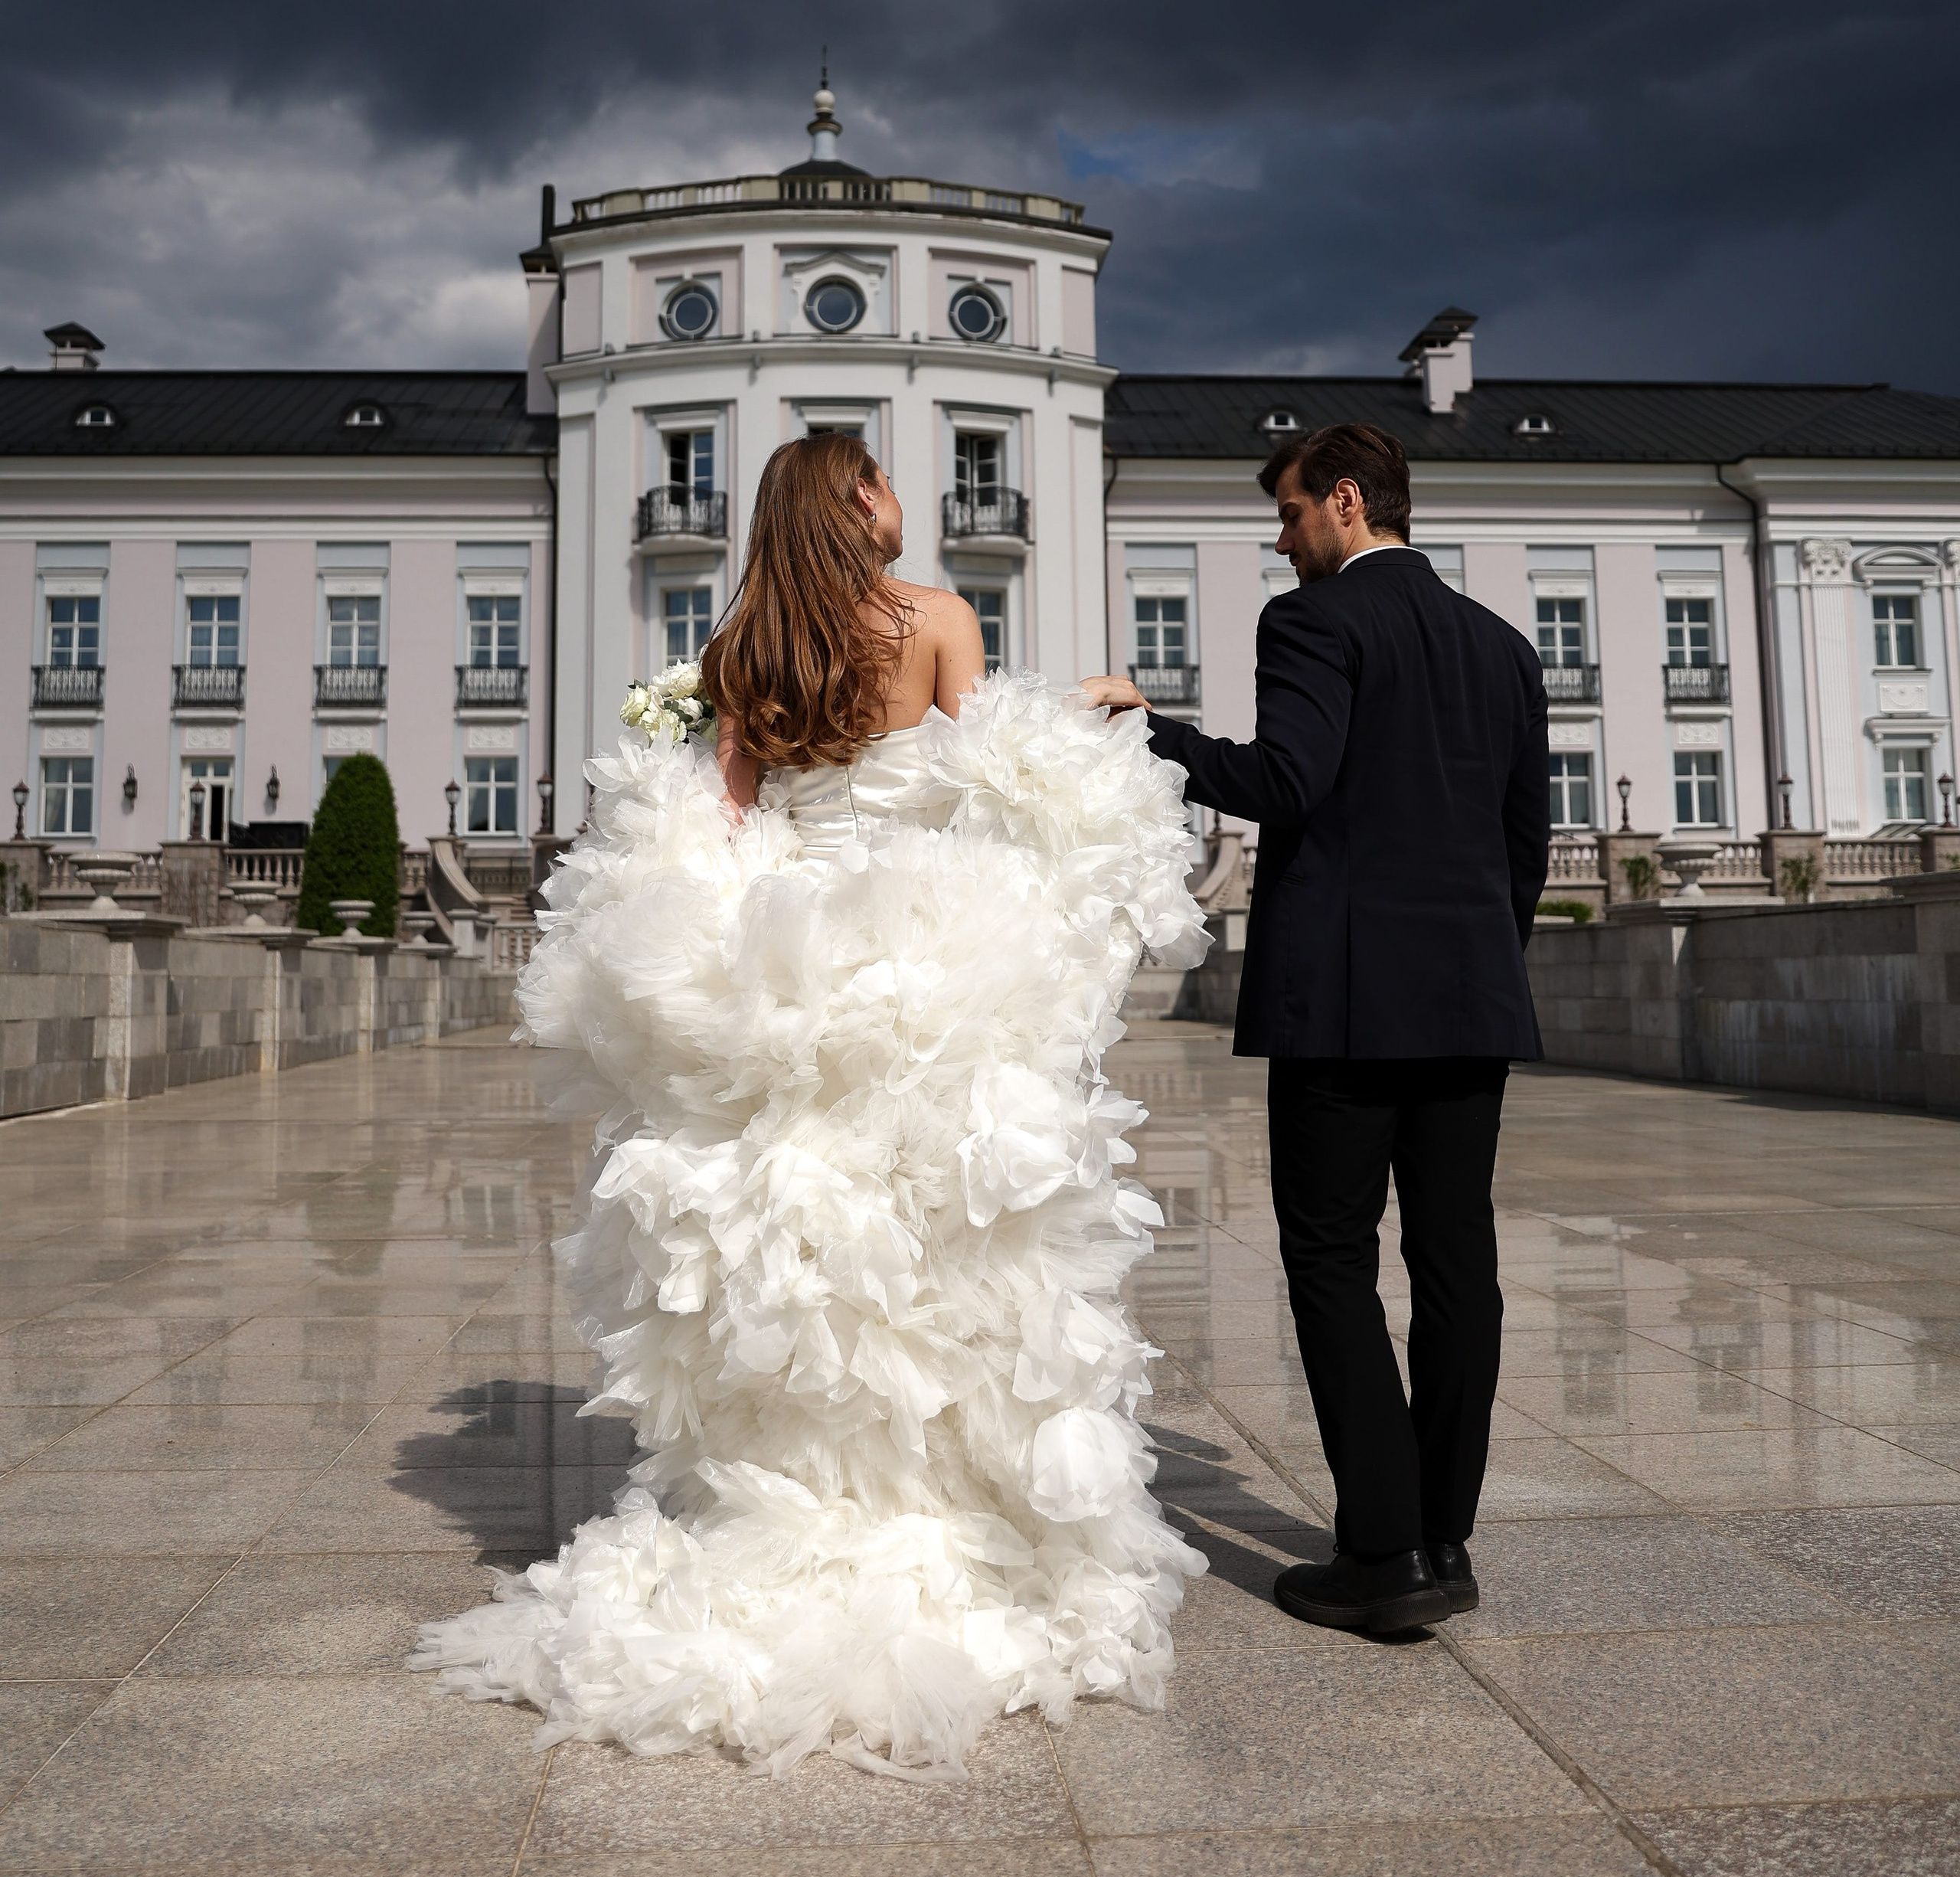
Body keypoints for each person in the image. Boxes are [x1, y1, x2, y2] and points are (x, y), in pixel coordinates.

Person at [414, 431, 1207, 1777]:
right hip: (925, 958)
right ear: (857, 503)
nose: (899, 496)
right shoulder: (940, 621)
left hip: (784, 958)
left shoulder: (745, 651)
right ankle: (944, 1507)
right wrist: (1083, 718)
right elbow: (988, 781)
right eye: (884, 477)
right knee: (936, 1244)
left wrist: (709, 962)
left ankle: (790, 1495)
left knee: (790, 1238)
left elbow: (720, 829)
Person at [1083, 422, 1548, 1637]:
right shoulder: (1503, 647)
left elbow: (1287, 781)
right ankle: (1445, 1535)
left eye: (1291, 517)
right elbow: (1523, 842)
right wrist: (1482, 964)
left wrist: (1154, 731)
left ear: (1346, 502)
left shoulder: (1314, 621)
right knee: (1460, 1266)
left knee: (1332, 1261)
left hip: (1345, 1009)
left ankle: (1384, 1555)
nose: (1284, 544)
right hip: (1468, 999)